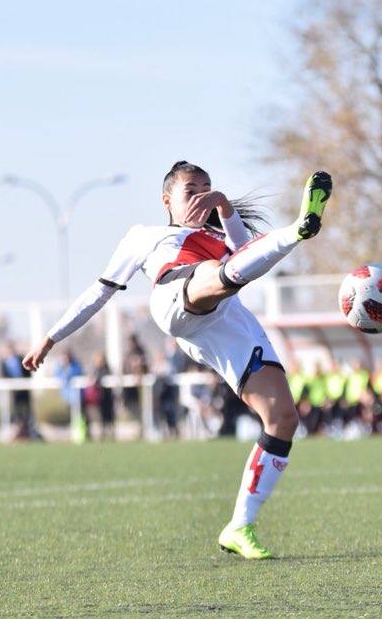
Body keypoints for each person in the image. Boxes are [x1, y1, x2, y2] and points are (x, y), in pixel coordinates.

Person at [23, 162, 332, 559]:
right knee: (213, 272)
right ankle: (298, 229)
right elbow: (98, 293)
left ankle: (239, 526)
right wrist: (51, 337)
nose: (201, 195)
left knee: (283, 417)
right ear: (167, 199)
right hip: (175, 295)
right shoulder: (144, 236)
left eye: (208, 188)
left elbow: (246, 258)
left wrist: (223, 206)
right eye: (192, 190)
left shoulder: (216, 233)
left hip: (227, 319)